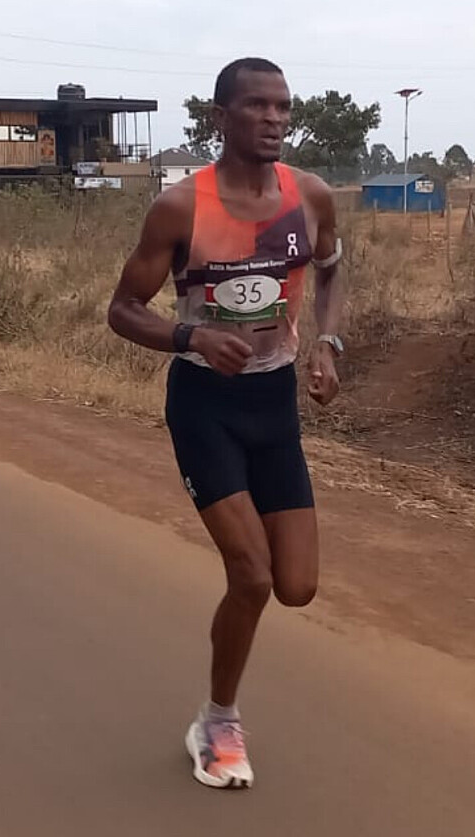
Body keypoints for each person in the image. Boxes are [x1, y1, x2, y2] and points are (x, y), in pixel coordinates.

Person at [107, 57, 345, 789]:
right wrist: (192, 337)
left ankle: (218, 711)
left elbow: (332, 268)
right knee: (252, 574)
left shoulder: (309, 195)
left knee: (296, 585)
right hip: (205, 403)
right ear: (221, 117)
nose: (274, 119)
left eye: (283, 107)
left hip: (273, 405)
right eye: (257, 106)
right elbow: (122, 309)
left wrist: (328, 345)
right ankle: (218, 721)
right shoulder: (180, 206)